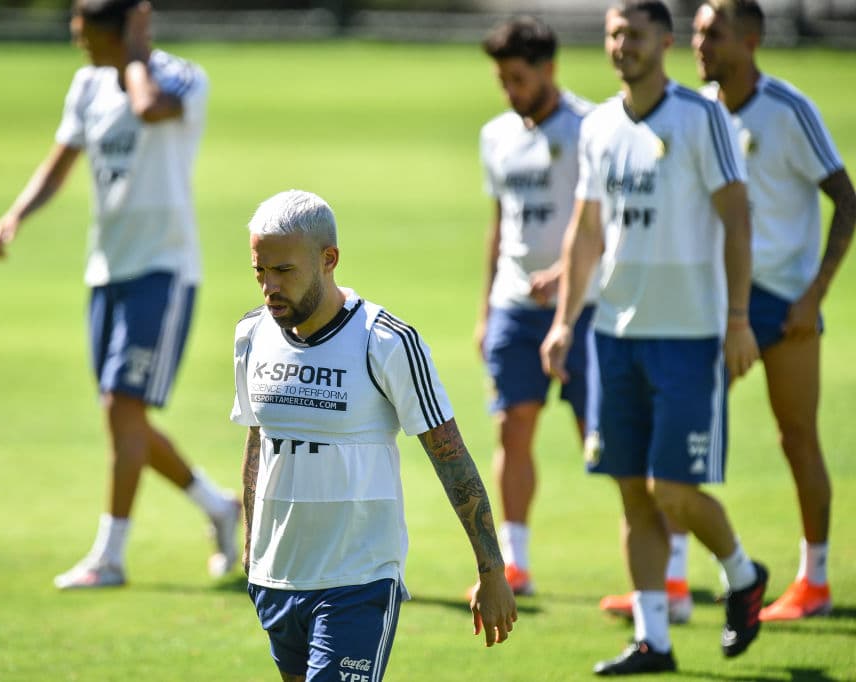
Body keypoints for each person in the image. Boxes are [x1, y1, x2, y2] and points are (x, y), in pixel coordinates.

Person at [541, 1, 768, 675]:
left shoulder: (703, 119)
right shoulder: (598, 126)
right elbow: (586, 231)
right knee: (630, 492)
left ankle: (741, 572)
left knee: (673, 491)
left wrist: (736, 320)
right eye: (614, 34)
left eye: (634, 35)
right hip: (613, 335)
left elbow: (737, 222)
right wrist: (563, 321)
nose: (622, 46)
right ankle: (653, 642)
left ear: (665, 42)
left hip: (689, 336)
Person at [0, 0, 239, 590]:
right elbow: (61, 161)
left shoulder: (180, 77)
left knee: (120, 408)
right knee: (122, 413)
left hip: (164, 267)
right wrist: (17, 214)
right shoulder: (86, 85)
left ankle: (111, 557)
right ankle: (219, 507)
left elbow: (150, 109)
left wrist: (132, 54)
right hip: (107, 270)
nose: (80, 47)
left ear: (125, 28)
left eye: (88, 36)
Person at [232, 190, 518, 681]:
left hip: (357, 579)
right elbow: (259, 442)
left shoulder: (384, 340)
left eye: (284, 272)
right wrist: (250, 547)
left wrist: (492, 570)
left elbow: (451, 456)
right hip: (276, 576)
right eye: (261, 272)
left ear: (329, 260)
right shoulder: (251, 335)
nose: (269, 287)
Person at [691, 0, 854, 621]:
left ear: (752, 39)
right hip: (715, 300)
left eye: (716, 31)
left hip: (785, 303)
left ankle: (813, 583)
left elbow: (847, 199)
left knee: (798, 438)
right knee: (684, 432)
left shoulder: (788, 110)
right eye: (699, 29)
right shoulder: (697, 109)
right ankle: (672, 584)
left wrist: (814, 295)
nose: (701, 41)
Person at [475, 17, 597, 598]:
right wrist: (484, 312)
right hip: (514, 306)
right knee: (512, 428)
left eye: (518, 78)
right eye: (502, 79)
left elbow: (602, 220)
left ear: (550, 69)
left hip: (583, 308)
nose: (510, 91)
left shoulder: (591, 128)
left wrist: (565, 274)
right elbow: (499, 224)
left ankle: (663, 569)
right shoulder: (496, 134)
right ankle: (515, 561)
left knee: (600, 436)